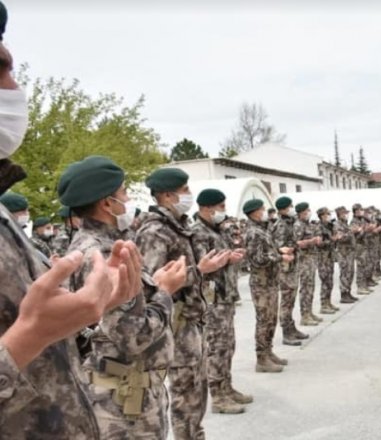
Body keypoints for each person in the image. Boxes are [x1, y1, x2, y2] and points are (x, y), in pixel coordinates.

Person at [0, 30, 144, 435]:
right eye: (1, 70)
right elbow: (27, 335)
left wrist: (90, 309)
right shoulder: (87, 248)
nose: (14, 88)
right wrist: (31, 335)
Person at [59, 155, 189, 437]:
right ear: (107, 203)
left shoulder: (95, 245)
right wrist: (166, 291)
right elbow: (133, 337)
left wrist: (153, 284)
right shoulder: (104, 255)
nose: (129, 200)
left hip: (128, 389)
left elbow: (117, 314)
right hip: (125, 399)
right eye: (124, 193)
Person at [136, 167, 229, 440]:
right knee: (185, 395)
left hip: (190, 321)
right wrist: (198, 270)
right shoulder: (154, 231)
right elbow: (153, 283)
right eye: (185, 190)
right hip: (175, 323)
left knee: (195, 392)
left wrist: (205, 268)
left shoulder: (179, 227)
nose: (189, 194)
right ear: (167, 195)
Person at [191, 189, 251, 414]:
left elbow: (222, 258)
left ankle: (227, 386)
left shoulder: (217, 229)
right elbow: (203, 265)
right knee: (216, 347)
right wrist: (226, 258)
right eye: (221, 206)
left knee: (228, 345)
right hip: (212, 299)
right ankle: (218, 396)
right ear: (208, 208)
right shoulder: (197, 232)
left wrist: (232, 257)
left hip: (225, 296)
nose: (223, 211)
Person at [243, 199, 291, 373]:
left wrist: (279, 251)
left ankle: (269, 352)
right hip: (261, 284)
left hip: (269, 282)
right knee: (264, 320)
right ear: (254, 212)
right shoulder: (253, 232)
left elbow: (265, 252)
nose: (265, 211)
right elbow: (257, 259)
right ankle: (261, 358)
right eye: (262, 209)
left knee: (271, 319)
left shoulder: (261, 229)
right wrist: (280, 258)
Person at [271, 196, 308, 346]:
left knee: (291, 299)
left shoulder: (289, 223)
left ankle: (292, 328)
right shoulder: (280, 225)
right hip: (286, 268)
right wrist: (291, 248)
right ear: (283, 209)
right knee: (286, 300)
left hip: (292, 265)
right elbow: (279, 246)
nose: (293, 208)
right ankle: (286, 333)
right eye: (291, 206)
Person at [293, 202, 324, 325]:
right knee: (306, 288)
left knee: (310, 287)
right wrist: (312, 241)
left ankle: (309, 312)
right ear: (301, 213)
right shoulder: (298, 225)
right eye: (306, 211)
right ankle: (304, 316)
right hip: (303, 260)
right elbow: (297, 243)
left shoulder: (308, 225)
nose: (309, 213)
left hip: (311, 259)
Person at [316, 207, 341, 314]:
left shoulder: (330, 226)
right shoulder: (318, 227)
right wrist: (331, 240)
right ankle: (323, 305)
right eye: (327, 214)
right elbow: (319, 243)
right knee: (325, 280)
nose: (329, 216)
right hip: (323, 257)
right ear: (322, 216)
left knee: (330, 281)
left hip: (330, 256)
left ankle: (328, 302)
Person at [334, 206, 359, 304]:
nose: (346, 215)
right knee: (344, 273)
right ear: (340, 214)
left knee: (350, 272)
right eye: (344, 213)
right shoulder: (337, 225)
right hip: (343, 253)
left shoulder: (345, 224)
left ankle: (348, 292)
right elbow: (341, 238)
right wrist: (351, 232)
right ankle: (344, 294)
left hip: (349, 252)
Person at [350, 203, 374, 295]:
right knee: (361, 267)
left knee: (365, 266)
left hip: (365, 245)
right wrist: (364, 230)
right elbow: (356, 236)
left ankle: (364, 285)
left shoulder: (363, 220)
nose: (361, 212)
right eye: (359, 210)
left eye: (361, 210)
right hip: (359, 246)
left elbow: (369, 226)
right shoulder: (354, 222)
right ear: (355, 212)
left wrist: (367, 229)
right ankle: (360, 286)